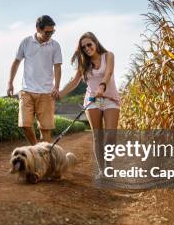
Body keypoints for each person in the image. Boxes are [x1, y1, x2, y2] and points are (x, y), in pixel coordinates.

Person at [58, 32, 120, 177]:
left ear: (95, 43)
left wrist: (102, 86)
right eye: (83, 47)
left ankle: (109, 165)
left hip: (110, 98)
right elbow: (74, 82)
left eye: (89, 44)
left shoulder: (108, 56)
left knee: (110, 135)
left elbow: (109, 72)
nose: (86, 48)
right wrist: (60, 94)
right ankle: (102, 170)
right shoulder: (83, 64)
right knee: (97, 136)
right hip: (92, 101)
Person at [7, 15, 62, 145]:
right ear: (38, 28)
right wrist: (10, 82)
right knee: (24, 124)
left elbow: (57, 67)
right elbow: (16, 62)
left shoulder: (55, 46)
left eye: (52, 32)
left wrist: (57, 86)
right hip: (27, 90)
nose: (50, 34)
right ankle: (36, 148)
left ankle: (46, 158)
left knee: (45, 130)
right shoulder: (26, 42)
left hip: (46, 92)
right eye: (47, 32)